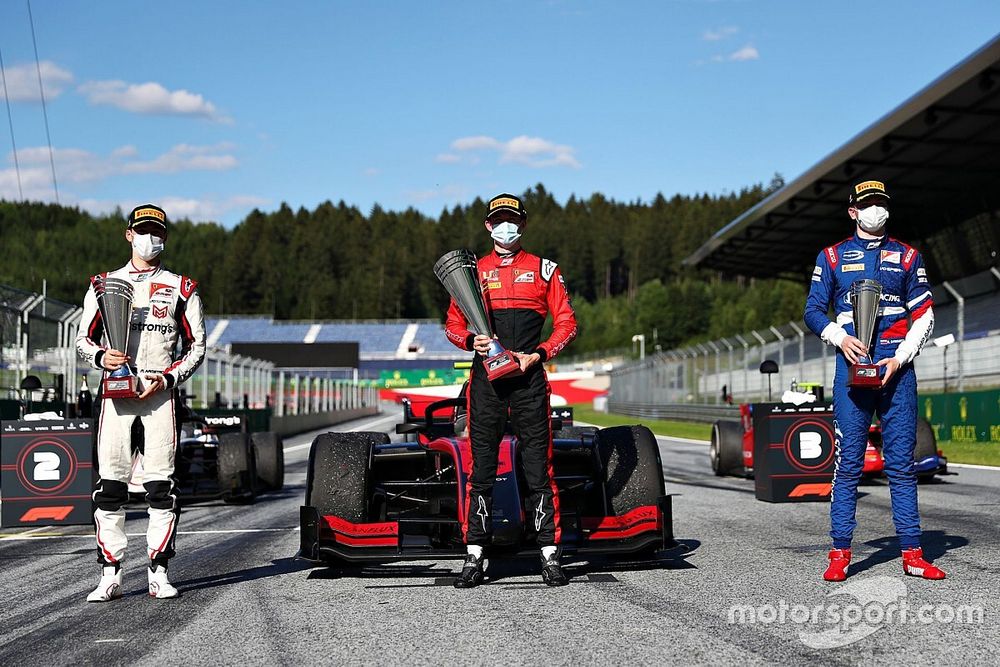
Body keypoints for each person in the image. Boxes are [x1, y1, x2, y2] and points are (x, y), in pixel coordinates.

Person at [804, 180, 944, 582]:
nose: (875, 210)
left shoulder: (907, 256)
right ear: (853, 211)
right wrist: (840, 337)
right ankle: (839, 554)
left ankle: (913, 555)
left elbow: (925, 315)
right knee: (848, 464)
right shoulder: (831, 256)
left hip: (896, 372)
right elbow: (813, 310)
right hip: (852, 370)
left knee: (901, 465)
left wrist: (899, 359)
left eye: (881, 203)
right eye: (867, 204)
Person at [444, 193, 578, 588]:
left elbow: (567, 323)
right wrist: (472, 342)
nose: (507, 227)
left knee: (539, 468)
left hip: (529, 380)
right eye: (499, 220)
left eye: (513, 220)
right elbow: (452, 325)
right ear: (488, 225)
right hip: (485, 380)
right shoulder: (471, 272)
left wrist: (538, 355)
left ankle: (550, 556)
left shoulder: (545, 269)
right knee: (480, 469)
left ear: (523, 224)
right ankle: (474, 556)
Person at [76, 204, 206, 601]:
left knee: (161, 487)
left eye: (158, 232)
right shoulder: (103, 285)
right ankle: (109, 573)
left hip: (159, 397)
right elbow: (83, 341)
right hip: (114, 398)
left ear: (165, 237)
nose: (152, 239)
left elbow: (197, 347)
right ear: (128, 234)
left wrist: (167, 378)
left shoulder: (182, 287)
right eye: (144, 230)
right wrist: (102, 358)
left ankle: (159, 571)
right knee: (109, 487)